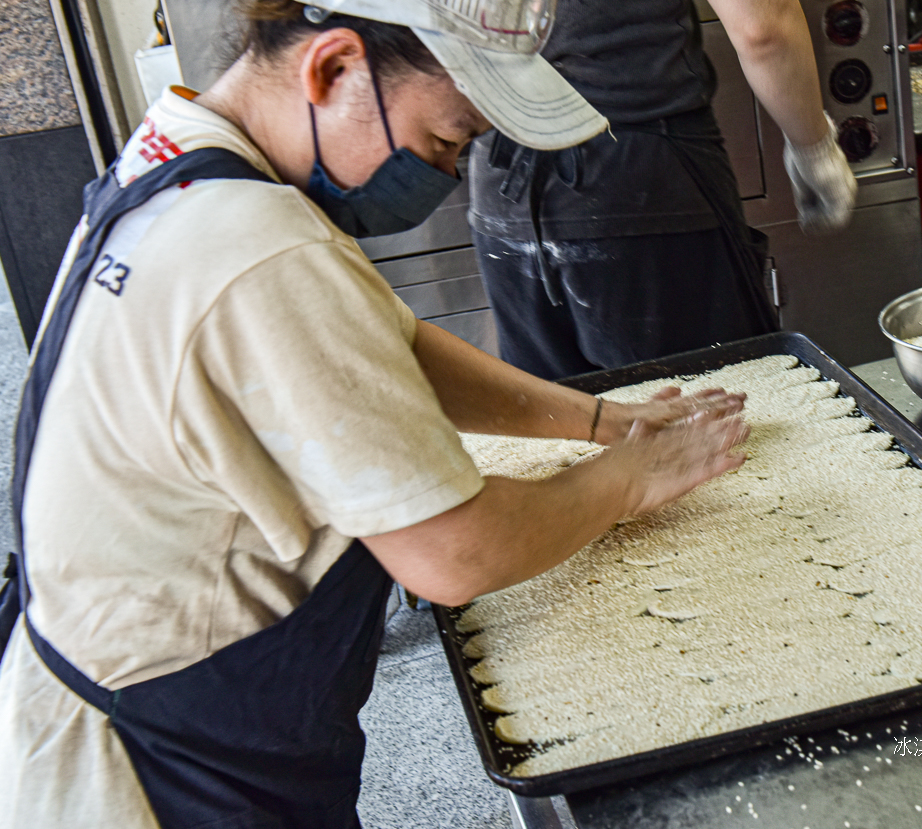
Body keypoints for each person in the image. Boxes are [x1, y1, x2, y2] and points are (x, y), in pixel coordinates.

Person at [0, 1, 750, 826]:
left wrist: (601, 422)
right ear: (332, 68)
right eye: (445, 142)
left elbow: (388, 348)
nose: (447, 174)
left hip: (129, 694)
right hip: (156, 765)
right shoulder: (261, 245)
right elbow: (455, 552)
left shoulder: (184, 152)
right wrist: (627, 480)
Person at [467, 0, 858, 379]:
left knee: (566, 434)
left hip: (501, 192)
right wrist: (814, 149)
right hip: (637, 186)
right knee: (724, 419)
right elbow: (764, 28)